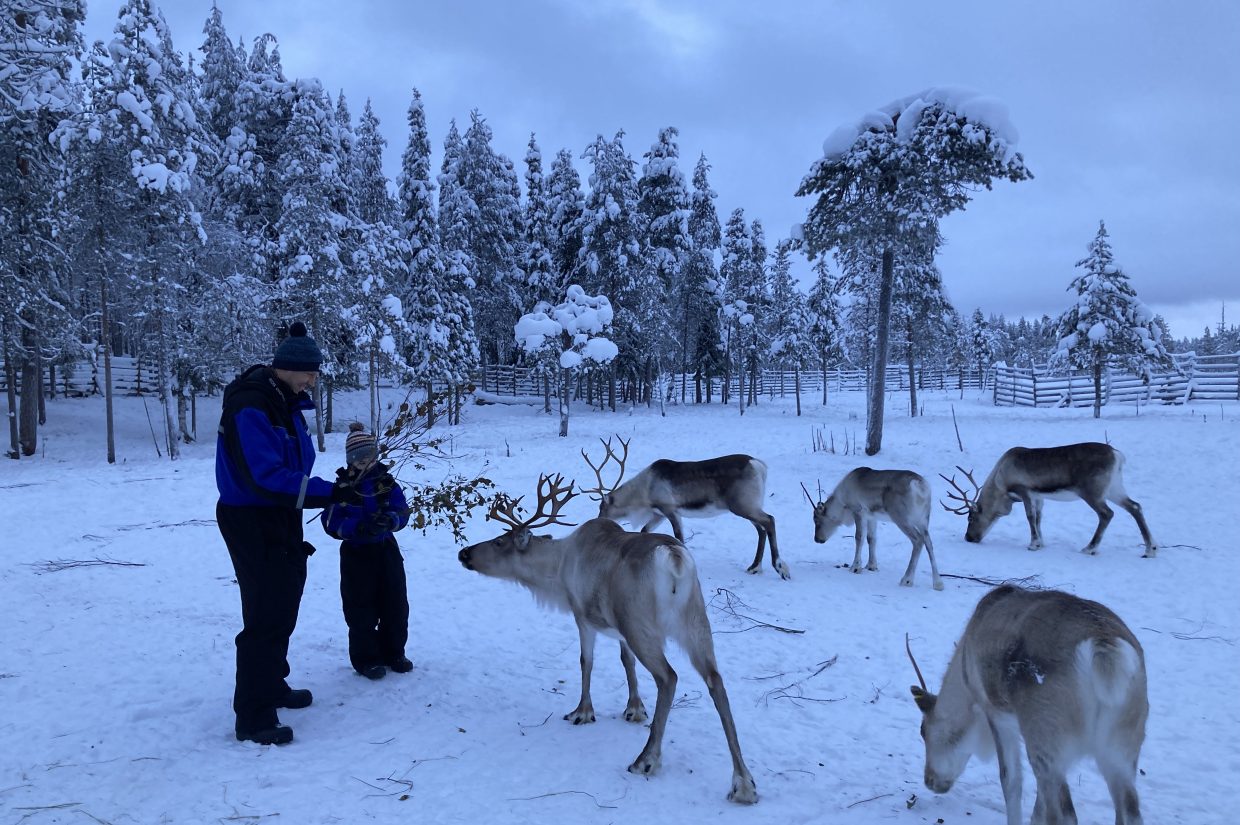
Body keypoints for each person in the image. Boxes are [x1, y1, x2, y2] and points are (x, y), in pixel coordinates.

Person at [215, 321, 361, 746]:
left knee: (284, 602)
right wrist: (329, 493)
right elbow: (265, 477)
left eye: (316, 371)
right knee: (266, 613)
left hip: (280, 514)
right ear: (284, 368)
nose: (314, 378)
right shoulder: (252, 406)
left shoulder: (286, 400)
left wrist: (330, 488)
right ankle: (255, 716)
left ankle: (272, 685)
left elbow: (292, 467)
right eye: (308, 371)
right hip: (253, 517)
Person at [321, 423, 413, 681]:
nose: (365, 462)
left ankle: (394, 652)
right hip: (356, 554)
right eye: (359, 458)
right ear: (350, 460)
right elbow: (330, 521)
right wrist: (356, 527)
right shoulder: (342, 488)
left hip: (386, 550)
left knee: (395, 604)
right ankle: (366, 659)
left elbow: (403, 510)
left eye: (369, 456)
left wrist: (390, 520)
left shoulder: (386, 483)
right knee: (360, 608)